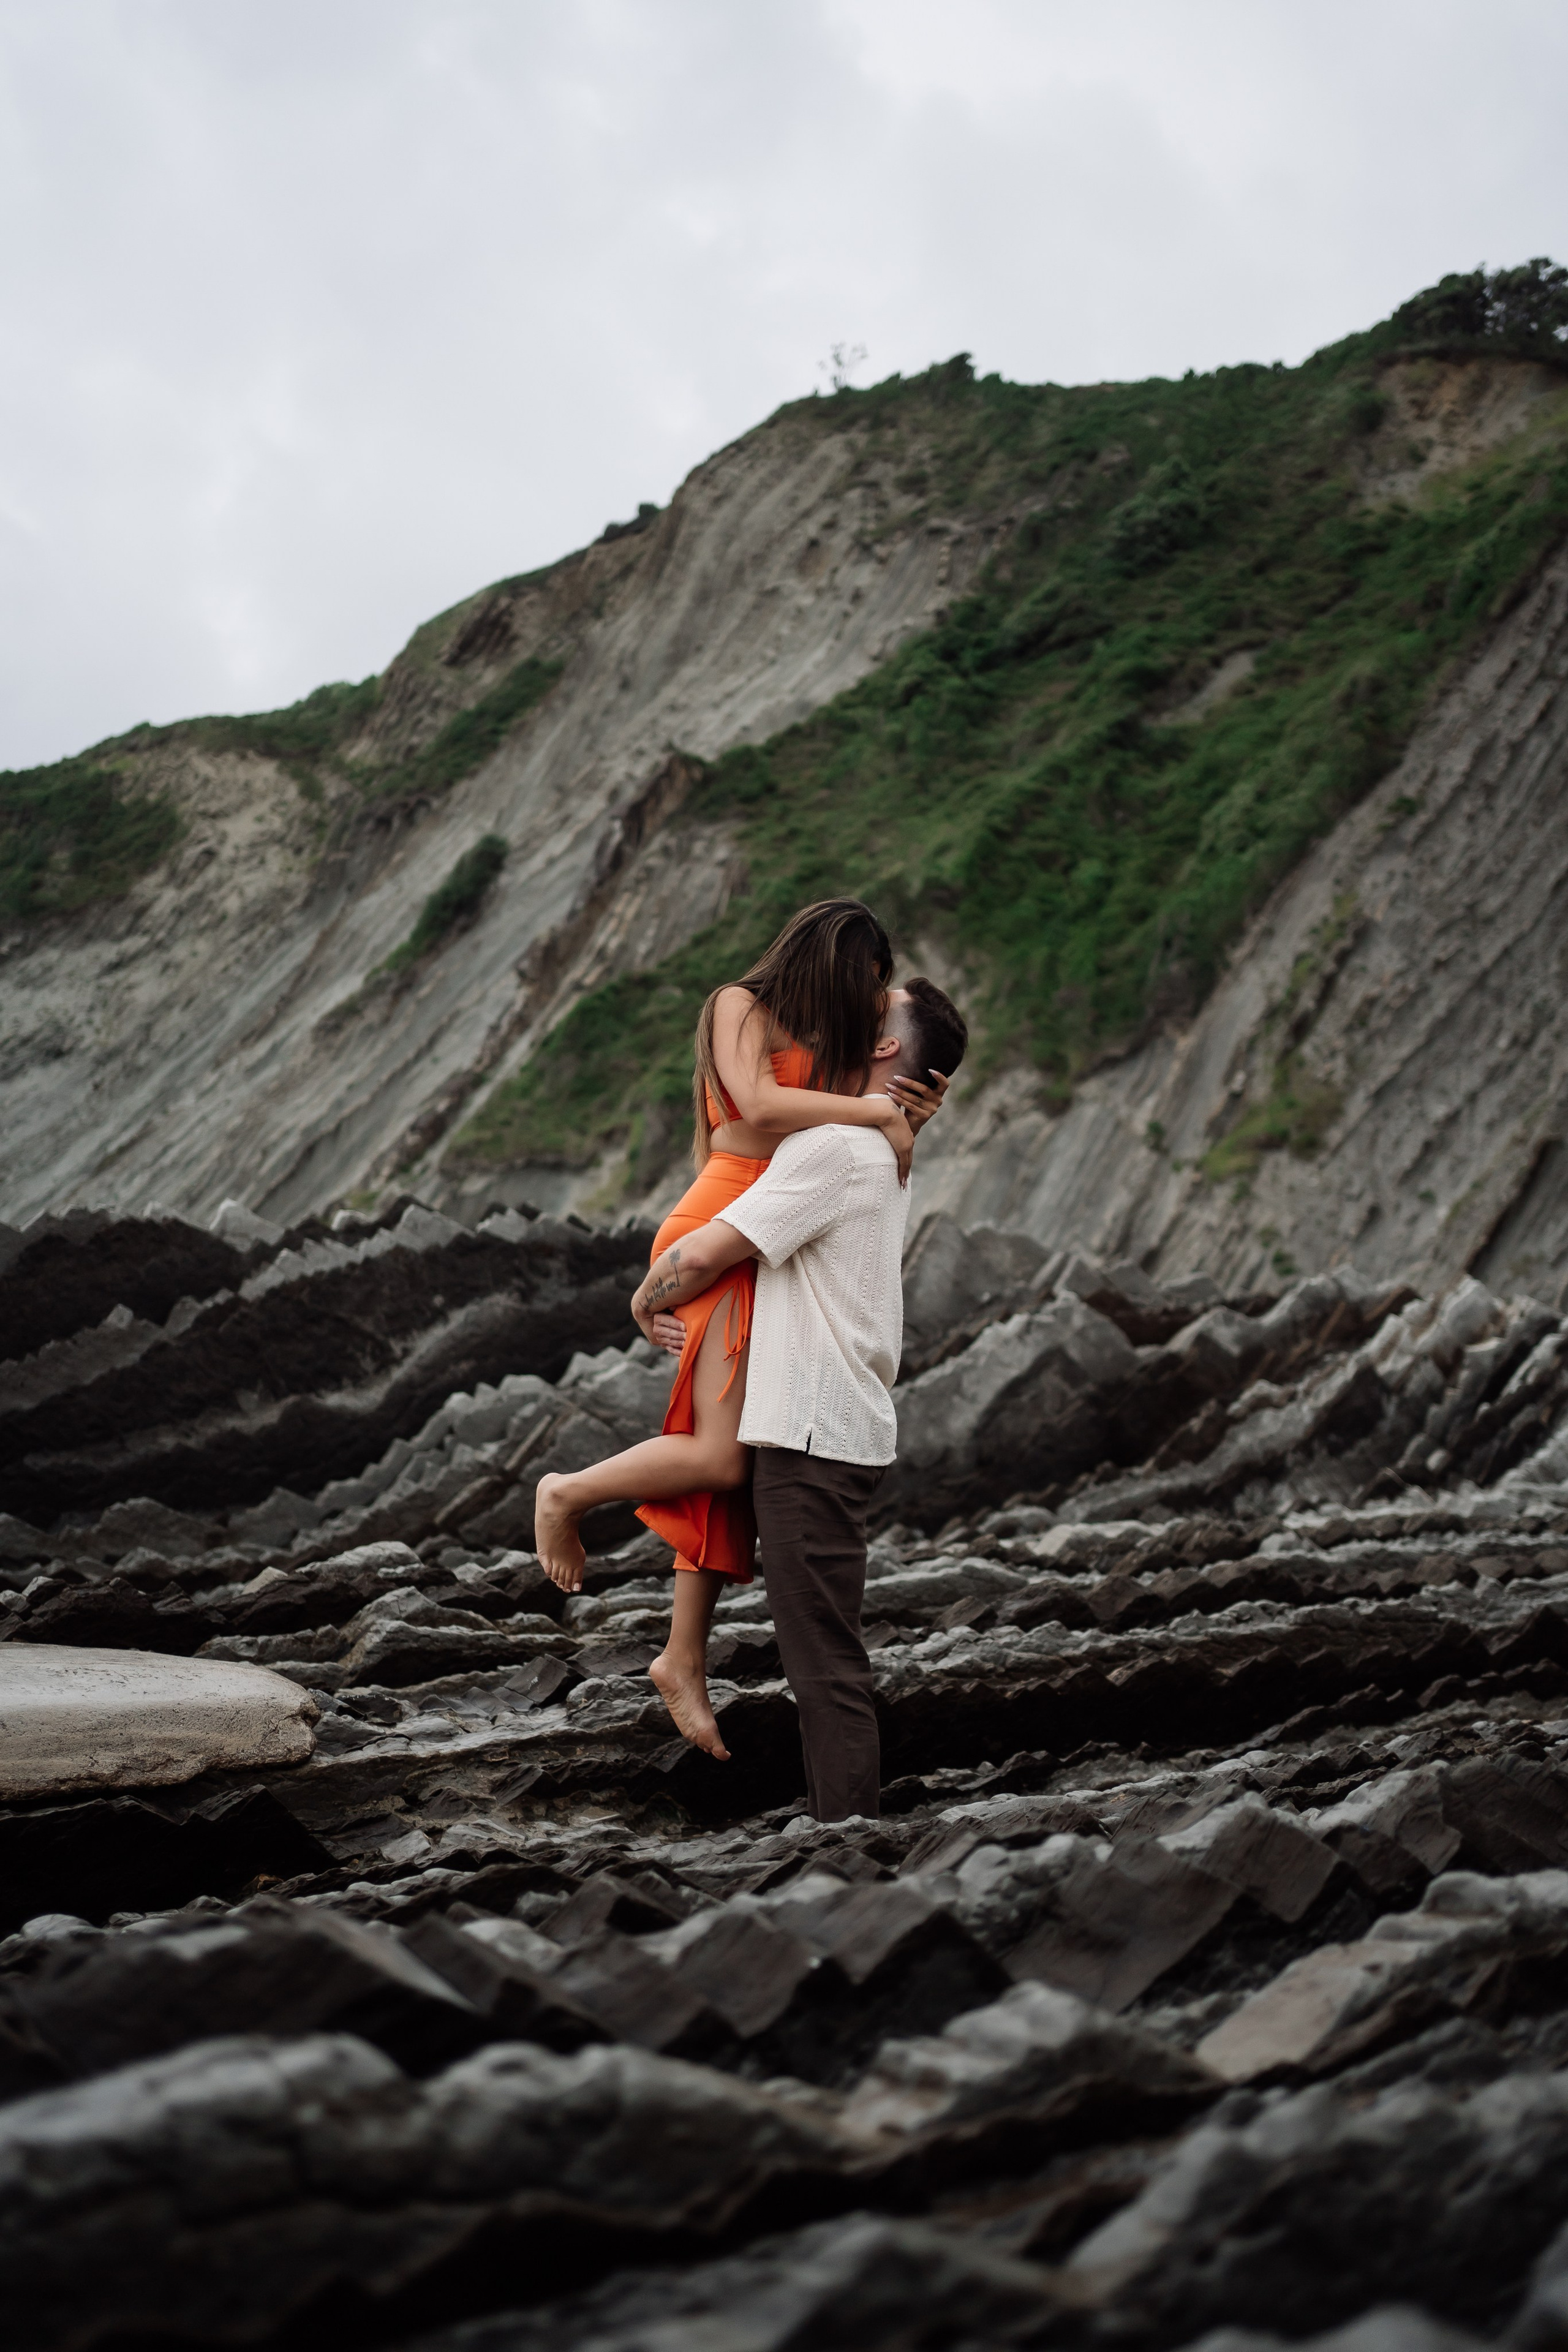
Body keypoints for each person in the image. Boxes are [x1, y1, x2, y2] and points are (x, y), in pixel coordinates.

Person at [533, 900, 948, 1758]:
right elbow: (755, 1107)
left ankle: (683, 1655)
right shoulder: (739, 1005)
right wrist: (880, 1116)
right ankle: (564, 1493)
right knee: (721, 1456)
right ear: (836, 958)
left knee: (738, 1454)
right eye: (871, 979)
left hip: (770, 1231)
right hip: (720, 1222)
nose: (873, 999)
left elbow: (846, 1124)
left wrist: (908, 1112)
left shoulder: (836, 1050)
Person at [626, 973, 968, 1820]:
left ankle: (848, 1846)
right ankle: (845, 1834)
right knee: (827, 1658)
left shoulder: (836, 1150)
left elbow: (707, 1254)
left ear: (884, 1044)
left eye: (872, 1004)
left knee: (824, 1668)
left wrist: (646, 1297)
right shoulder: (878, 1150)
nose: (845, 1008)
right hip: (837, 1428)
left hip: (811, 1435)